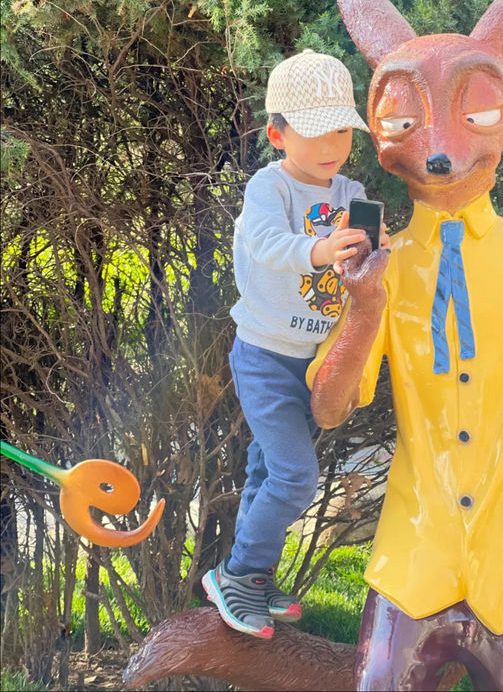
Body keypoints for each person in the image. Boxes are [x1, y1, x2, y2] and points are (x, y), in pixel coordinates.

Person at [202, 48, 388, 639]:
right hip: (264, 357)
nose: (332, 144)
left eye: (341, 128)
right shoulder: (268, 188)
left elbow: (365, 258)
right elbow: (263, 245)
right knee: (294, 476)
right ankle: (242, 574)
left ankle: (246, 578)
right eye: (314, 131)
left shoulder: (350, 188)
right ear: (276, 134)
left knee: (266, 471)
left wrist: (380, 250)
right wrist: (319, 251)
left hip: (315, 363)